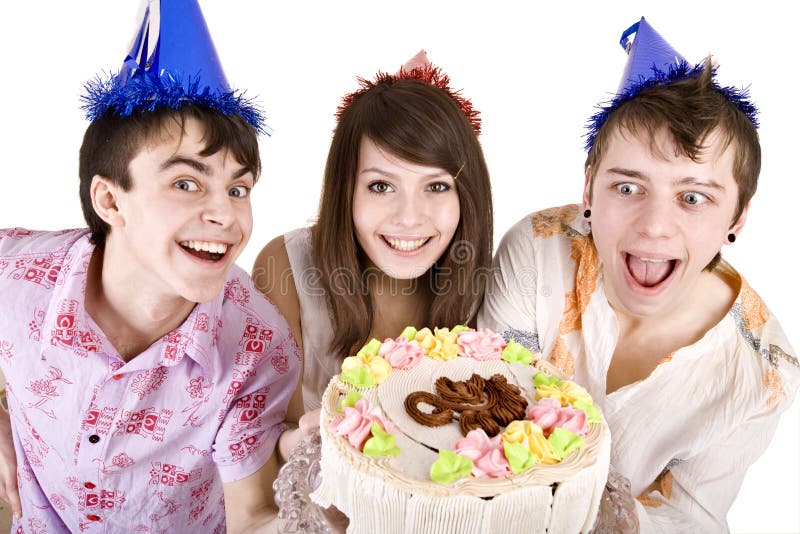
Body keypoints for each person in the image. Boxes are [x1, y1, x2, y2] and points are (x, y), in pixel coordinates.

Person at [479, 17, 799, 532]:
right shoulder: (537, 252)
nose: (653, 227)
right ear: (589, 192)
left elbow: (686, 520)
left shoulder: (760, 377)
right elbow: (483, 414)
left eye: (693, 198)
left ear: (737, 218)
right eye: (628, 188)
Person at [0, 2, 299, 532]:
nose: (225, 213)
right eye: (186, 183)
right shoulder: (17, 276)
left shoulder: (256, 344)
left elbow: (252, 516)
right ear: (110, 202)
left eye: (238, 188)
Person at [252, 50, 493, 471]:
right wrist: (301, 442)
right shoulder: (286, 268)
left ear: (466, 194)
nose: (409, 218)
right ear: (345, 188)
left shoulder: (489, 285)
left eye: (436, 186)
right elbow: (258, 446)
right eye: (381, 186)